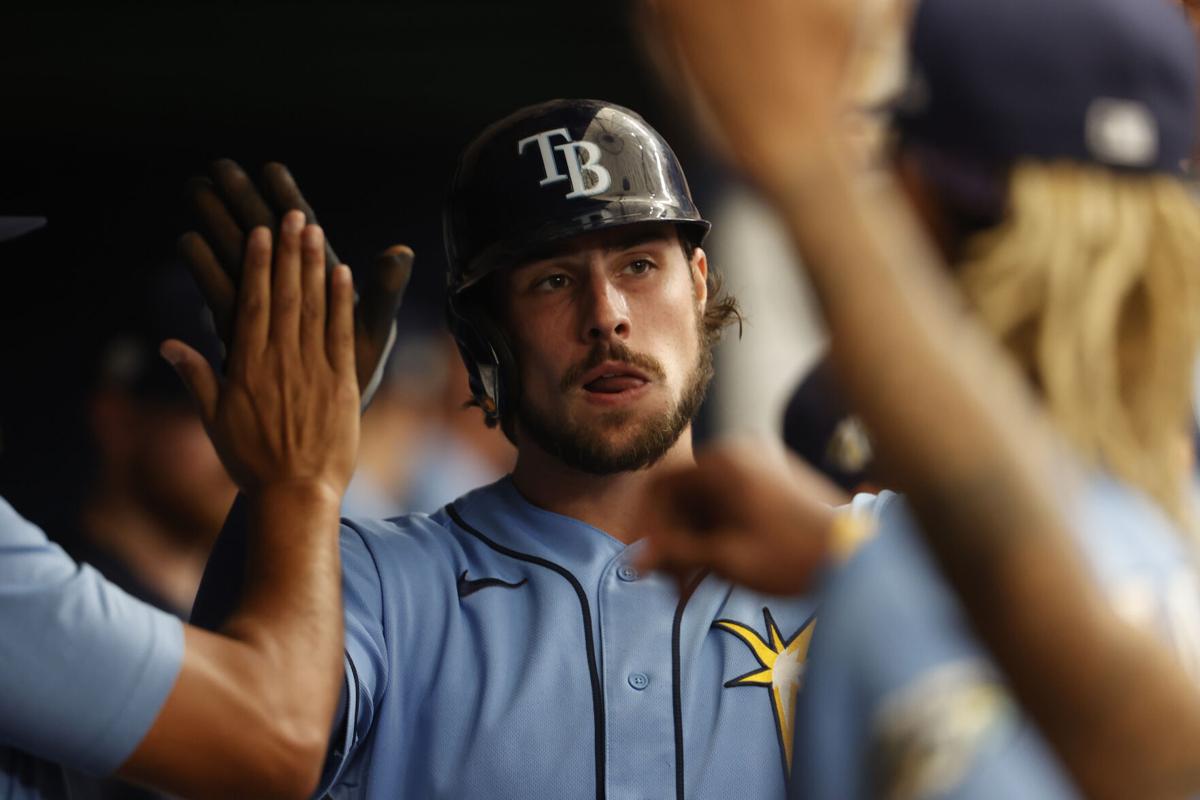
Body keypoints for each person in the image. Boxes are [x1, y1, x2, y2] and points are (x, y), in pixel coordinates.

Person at [642, 0, 1200, 796]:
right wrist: (845, 554)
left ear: (916, 205)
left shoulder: (905, 607)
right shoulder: (1164, 512)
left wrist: (806, 164)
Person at [190, 100, 818, 799]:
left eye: (638, 265)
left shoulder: (848, 555)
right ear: (483, 342)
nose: (606, 314)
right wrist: (286, 483)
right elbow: (231, 759)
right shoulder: (376, 581)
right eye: (552, 281)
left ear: (698, 284)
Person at [1, 211, 362, 800]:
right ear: (118, 419)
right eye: (204, 407)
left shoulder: (254, 596)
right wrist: (301, 481)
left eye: (270, 409)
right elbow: (276, 740)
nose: (250, 434)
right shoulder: (41, 580)